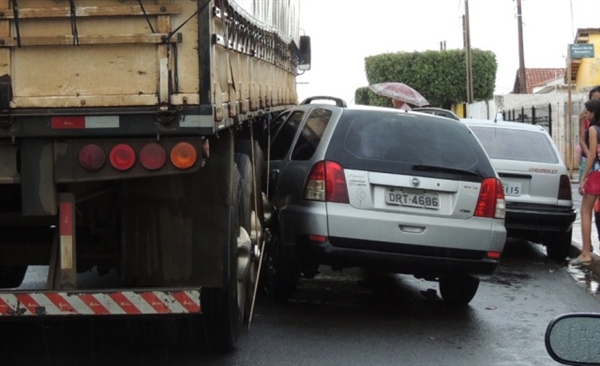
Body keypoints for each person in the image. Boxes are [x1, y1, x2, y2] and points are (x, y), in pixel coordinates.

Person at [573, 98, 600, 266]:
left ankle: (585, 253)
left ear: (594, 113)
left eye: (588, 111)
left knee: (585, 211)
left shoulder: (593, 130)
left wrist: (583, 178)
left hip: (597, 173)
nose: (586, 114)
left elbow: (591, 155)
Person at [578, 86, 600, 244]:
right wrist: (589, 155)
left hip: (595, 166)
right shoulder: (585, 120)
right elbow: (581, 138)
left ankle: (586, 250)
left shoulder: (594, 127)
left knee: (588, 209)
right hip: (590, 161)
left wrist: (593, 155)